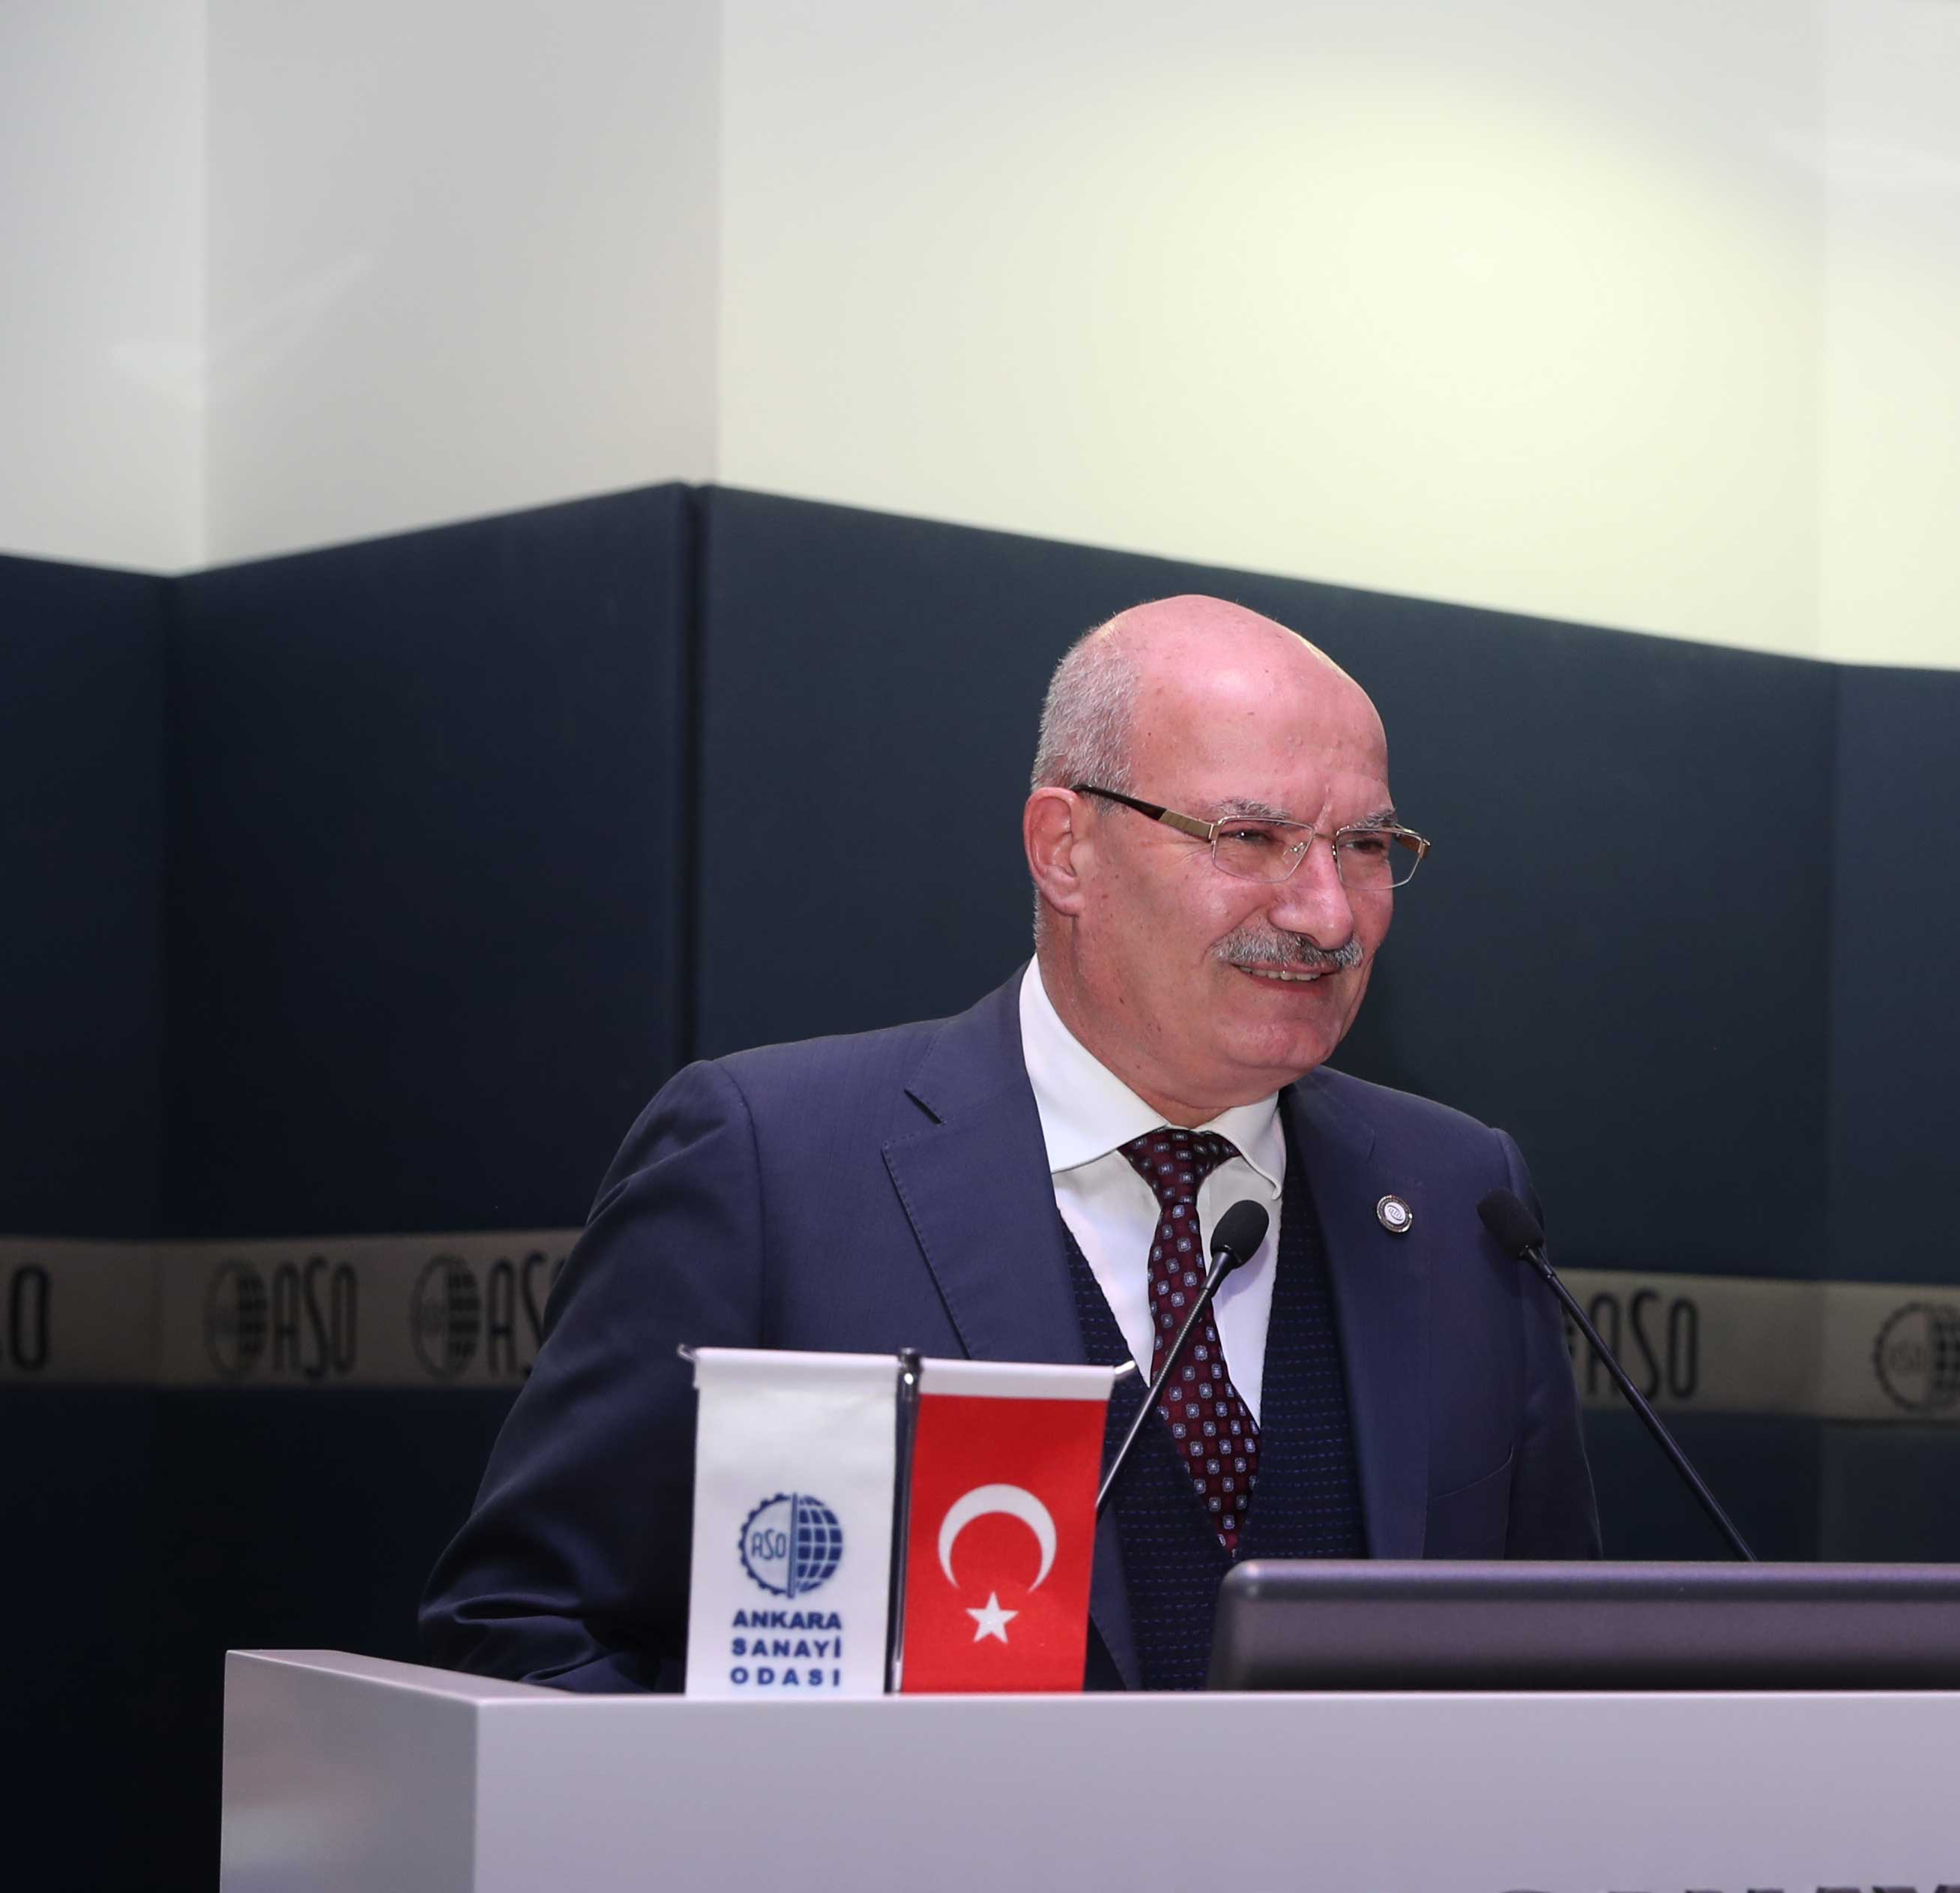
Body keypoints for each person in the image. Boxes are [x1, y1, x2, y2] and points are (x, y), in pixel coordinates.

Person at [423, 595, 1597, 1691]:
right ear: (1065, 849)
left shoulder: (1460, 1197)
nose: (1327, 912)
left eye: (1367, 846)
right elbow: (525, 1630)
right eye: (1249, 836)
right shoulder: (772, 1169)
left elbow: (1561, 1672)